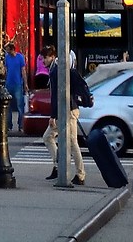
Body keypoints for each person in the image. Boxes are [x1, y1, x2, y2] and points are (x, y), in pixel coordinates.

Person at [42, 47, 88, 186]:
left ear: (51, 57)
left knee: (72, 142)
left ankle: (80, 174)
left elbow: (57, 94)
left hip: (67, 111)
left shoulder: (56, 70)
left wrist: (53, 116)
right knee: (49, 137)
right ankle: (58, 165)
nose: (43, 61)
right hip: (67, 110)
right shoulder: (57, 68)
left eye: (44, 58)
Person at [3, 38, 26, 134]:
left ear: (12, 49)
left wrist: (25, 84)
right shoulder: (7, 58)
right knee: (8, 106)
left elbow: (23, 71)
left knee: (20, 105)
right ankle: (9, 125)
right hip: (9, 83)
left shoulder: (20, 57)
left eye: (8, 50)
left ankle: (20, 125)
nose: (7, 52)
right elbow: (5, 70)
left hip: (17, 83)